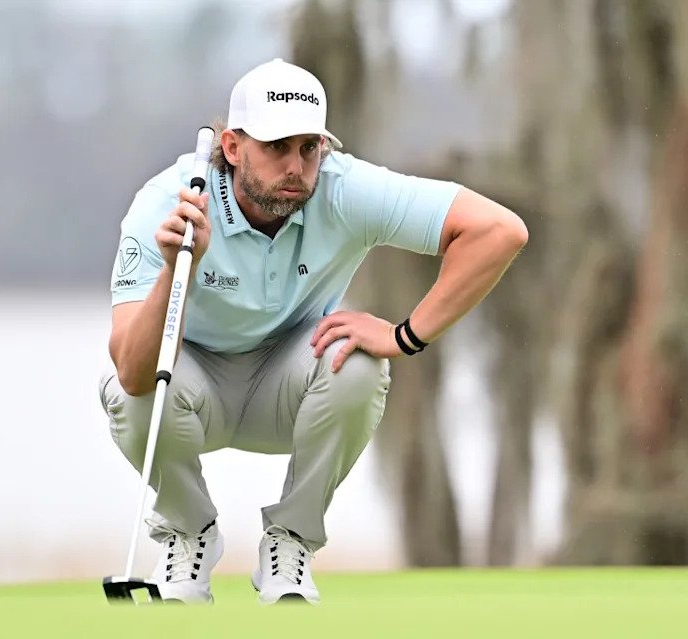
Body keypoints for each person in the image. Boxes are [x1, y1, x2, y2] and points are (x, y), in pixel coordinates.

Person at [100, 58, 528, 604]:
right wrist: (176, 265)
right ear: (232, 147)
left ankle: (291, 544)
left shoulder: (343, 189)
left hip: (288, 384)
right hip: (193, 387)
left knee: (358, 362)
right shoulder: (167, 204)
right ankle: (188, 536)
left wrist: (405, 336)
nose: (297, 166)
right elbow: (134, 372)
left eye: (309, 147)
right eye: (276, 147)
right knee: (131, 399)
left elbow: (499, 231)